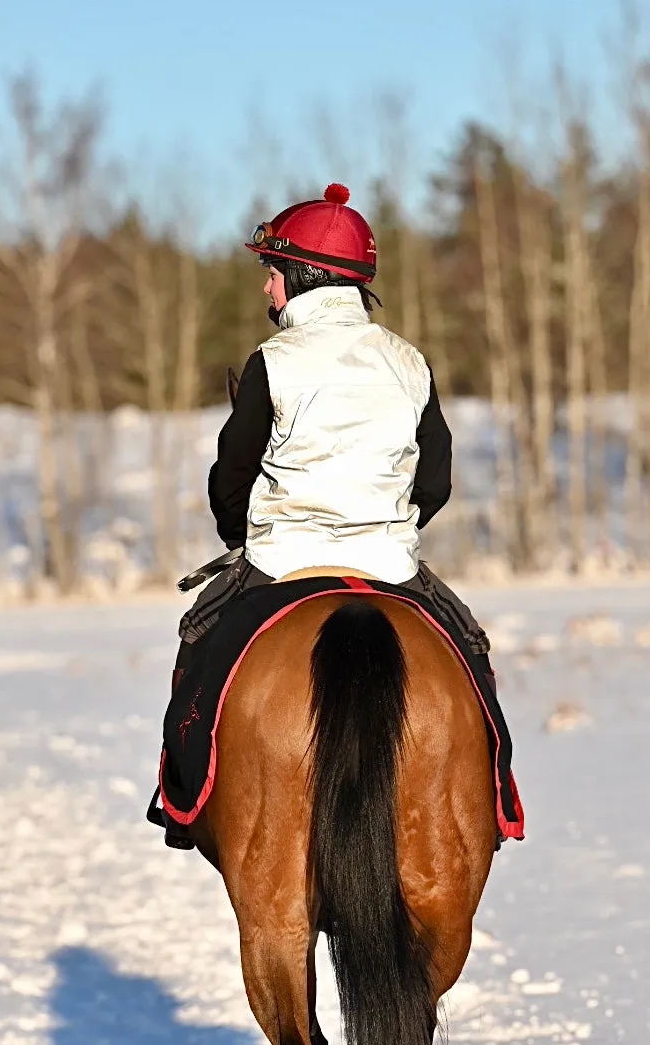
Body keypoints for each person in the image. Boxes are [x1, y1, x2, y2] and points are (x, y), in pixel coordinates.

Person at [172, 183, 493, 693]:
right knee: (472, 654)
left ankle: (181, 778)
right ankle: (498, 777)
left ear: (304, 275)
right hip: (388, 562)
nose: (267, 289)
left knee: (196, 643)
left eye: (272, 274)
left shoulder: (272, 361)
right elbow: (435, 481)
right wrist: (385, 530)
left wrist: (244, 538)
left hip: (281, 562)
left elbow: (232, 477)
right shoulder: (410, 362)